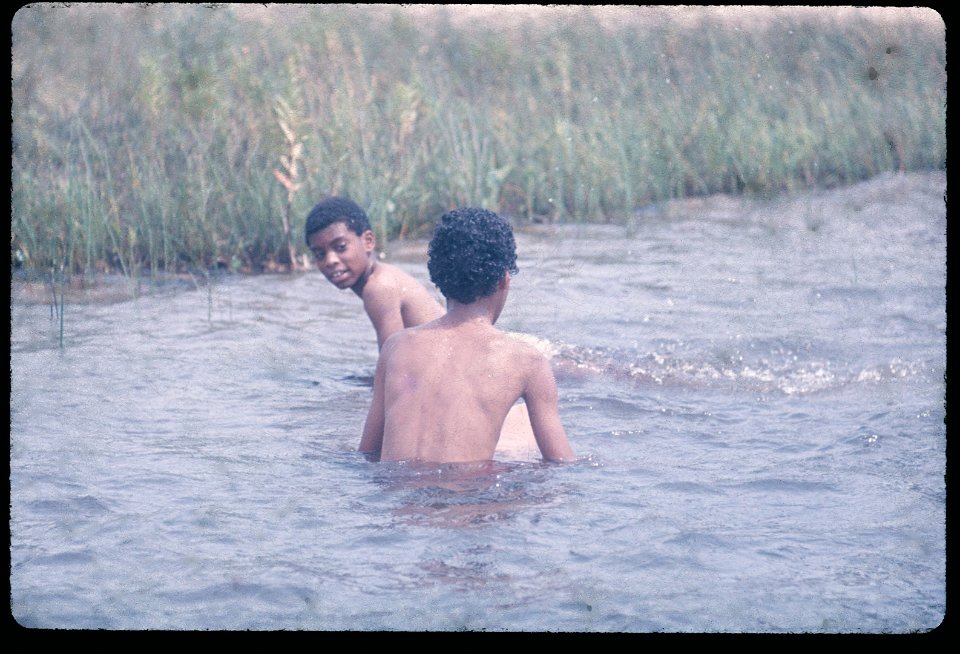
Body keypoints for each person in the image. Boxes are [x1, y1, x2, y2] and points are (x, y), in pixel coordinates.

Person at [304, 196, 538, 455]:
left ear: (368, 241)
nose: (331, 260)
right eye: (320, 254)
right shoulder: (382, 280)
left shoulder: (377, 288)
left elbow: (396, 371)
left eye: (340, 247)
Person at [359, 207, 576, 464]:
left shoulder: (396, 347)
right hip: (470, 496)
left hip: (396, 498)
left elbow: (368, 452)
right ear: (504, 280)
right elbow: (562, 464)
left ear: (437, 278)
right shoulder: (527, 361)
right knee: (521, 428)